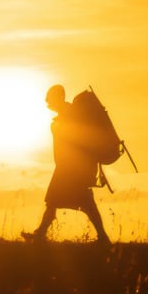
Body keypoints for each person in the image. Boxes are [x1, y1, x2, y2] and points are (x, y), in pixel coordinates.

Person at [24, 84, 110, 243]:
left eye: (49, 98)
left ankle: (103, 237)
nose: (46, 101)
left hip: (73, 169)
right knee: (54, 201)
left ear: (57, 98)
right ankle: (40, 234)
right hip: (69, 168)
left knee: (82, 203)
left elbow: (74, 141)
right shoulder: (69, 114)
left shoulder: (69, 115)